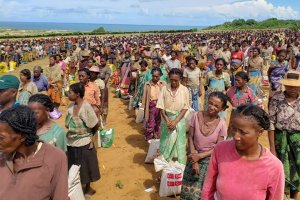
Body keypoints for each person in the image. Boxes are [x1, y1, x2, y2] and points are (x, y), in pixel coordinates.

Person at [202, 104, 284, 200]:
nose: (236, 136)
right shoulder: (221, 150)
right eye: (234, 129)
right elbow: (208, 189)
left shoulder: (273, 166)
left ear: (260, 132)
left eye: (243, 132)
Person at [0, 105, 68, 199]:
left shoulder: (55, 158)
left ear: (22, 136)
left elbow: (59, 196)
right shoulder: (2, 156)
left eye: (1, 138)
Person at [181, 92, 228, 200]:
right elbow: (190, 137)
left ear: (222, 109)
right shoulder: (196, 116)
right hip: (193, 156)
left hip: (209, 161)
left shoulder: (221, 124)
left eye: (216, 106)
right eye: (210, 103)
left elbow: (218, 147)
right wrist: (194, 159)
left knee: (203, 192)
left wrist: (200, 157)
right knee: (187, 190)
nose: (212, 107)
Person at [268, 71, 300, 199]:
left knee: (297, 171)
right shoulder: (276, 99)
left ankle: (294, 195)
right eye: (289, 85)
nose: (292, 88)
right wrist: (272, 148)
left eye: (295, 86)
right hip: (280, 140)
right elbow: (271, 123)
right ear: (285, 85)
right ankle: (281, 196)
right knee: (280, 170)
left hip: (298, 142)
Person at [66, 83, 100, 197]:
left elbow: (95, 124)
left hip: (84, 141)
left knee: (86, 167)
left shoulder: (86, 107)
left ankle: (88, 188)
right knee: (72, 166)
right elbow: (67, 124)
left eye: (70, 92)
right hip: (71, 141)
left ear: (77, 94)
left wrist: (92, 139)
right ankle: (77, 188)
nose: (68, 94)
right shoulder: (70, 107)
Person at [156, 68, 189, 164]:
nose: (173, 82)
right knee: (166, 143)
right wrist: (167, 120)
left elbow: (185, 107)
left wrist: (175, 121)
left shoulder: (184, 90)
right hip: (167, 120)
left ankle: (178, 168)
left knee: (179, 144)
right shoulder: (164, 89)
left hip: (179, 120)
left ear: (180, 79)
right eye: (172, 80)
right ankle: (163, 168)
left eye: (176, 80)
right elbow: (161, 106)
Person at [142, 67, 166, 140]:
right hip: (151, 106)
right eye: (153, 76)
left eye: (157, 76)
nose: (155, 78)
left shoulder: (163, 84)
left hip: (160, 106)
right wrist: (143, 106)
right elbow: (144, 97)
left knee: (159, 123)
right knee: (151, 123)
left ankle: (157, 137)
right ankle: (148, 136)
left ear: (160, 76)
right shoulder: (147, 84)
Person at [98, 56, 112, 125]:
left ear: (106, 61)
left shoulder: (108, 69)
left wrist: (99, 84)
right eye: (101, 61)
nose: (101, 62)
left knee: (105, 103)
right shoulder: (98, 67)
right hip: (97, 87)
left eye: (103, 61)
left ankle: (104, 119)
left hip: (104, 87)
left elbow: (106, 80)